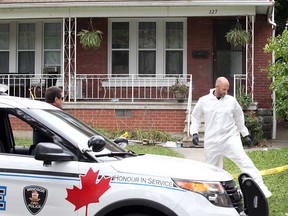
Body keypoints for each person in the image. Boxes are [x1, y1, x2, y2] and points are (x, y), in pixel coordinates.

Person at [190, 76, 272, 198]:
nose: (225, 92)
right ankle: (214, 193)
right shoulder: (204, 101)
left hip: (230, 138)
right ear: (216, 87)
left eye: (227, 89)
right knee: (211, 168)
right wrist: (194, 132)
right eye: (223, 89)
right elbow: (195, 117)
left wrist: (245, 134)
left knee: (245, 161)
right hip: (212, 140)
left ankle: (261, 189)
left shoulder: (231, 101)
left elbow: (239, 118)